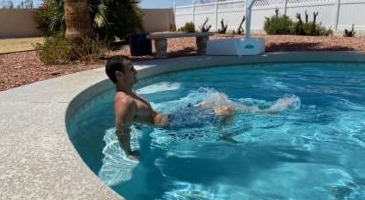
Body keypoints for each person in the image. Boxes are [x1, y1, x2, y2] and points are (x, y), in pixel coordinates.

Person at [105, 55, 293, 160]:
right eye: (131, 69)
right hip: (171, 126)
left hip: (173, 116)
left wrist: (139, 123)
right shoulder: (124, 102)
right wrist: (129, 152)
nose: (136, 71)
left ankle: (259, 110)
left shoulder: (131, 92)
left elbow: (134, 120)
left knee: (217, 97)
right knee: (228, 110)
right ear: (119, 75)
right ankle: (225, 134)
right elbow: (122, 130)